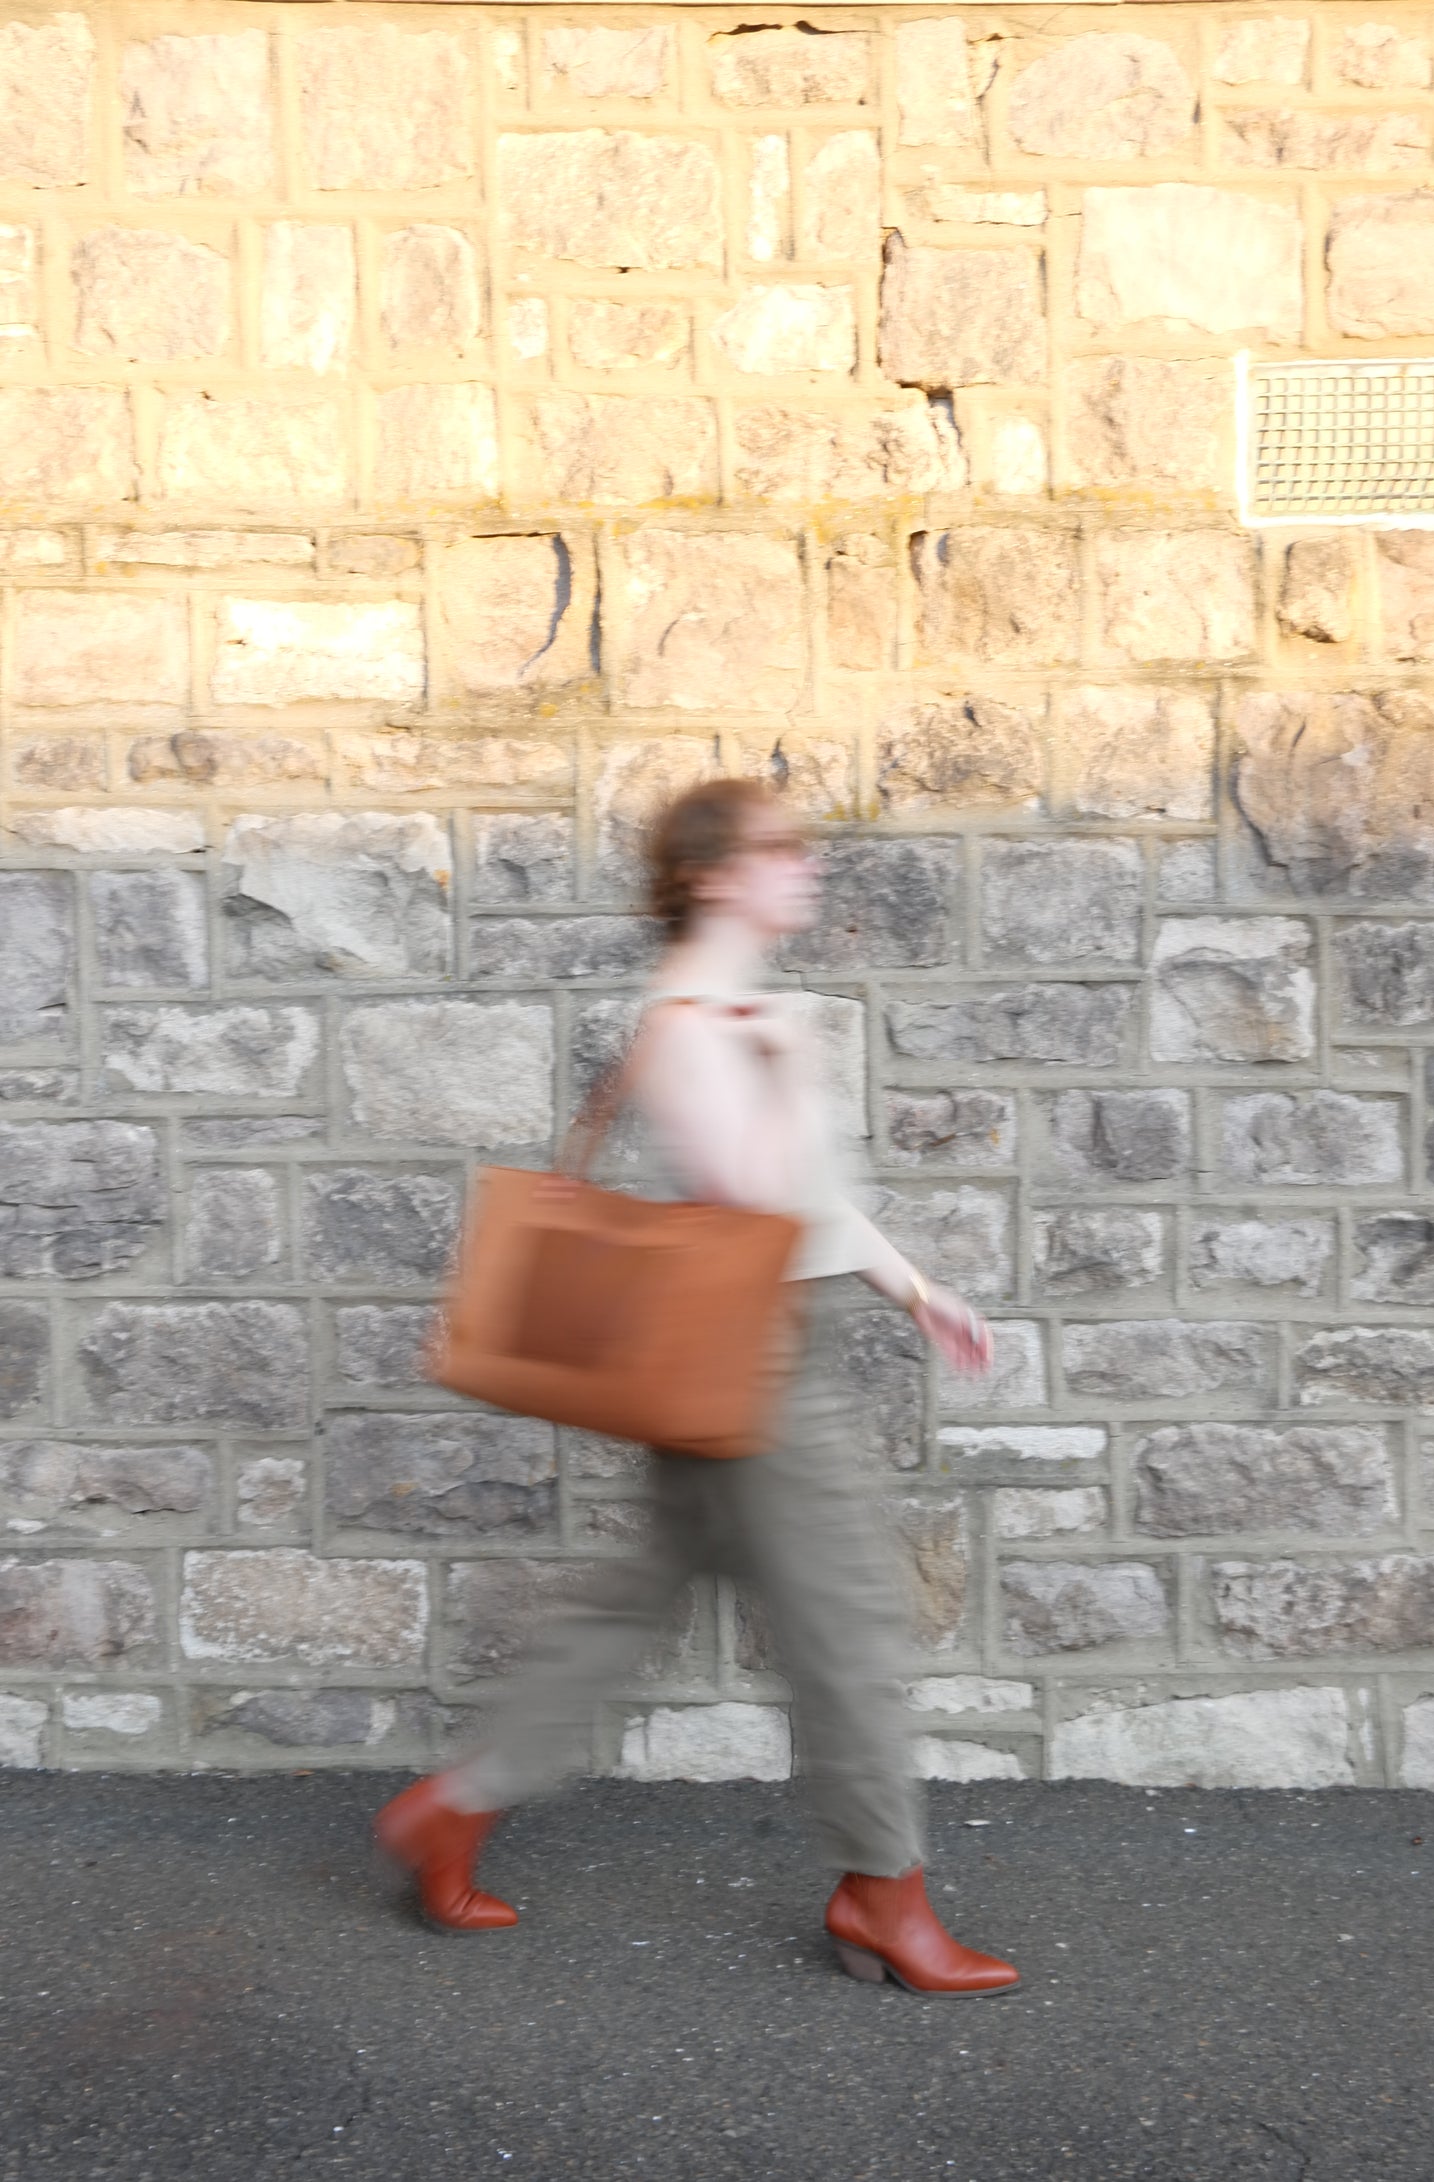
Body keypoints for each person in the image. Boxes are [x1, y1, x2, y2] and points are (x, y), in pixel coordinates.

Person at [375, 778, 1019, 1996]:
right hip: (756, 1362)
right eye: (782, 850)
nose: (805, 867)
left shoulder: (741, 1008)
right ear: (715, 877)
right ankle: (884, 1895)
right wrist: (780, 1066)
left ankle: (450, 1807)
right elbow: (752, 1200)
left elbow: (818, 1206)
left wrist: (916, 1290)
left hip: (755, 1345)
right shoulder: (686, 1019)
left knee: (634, 1601)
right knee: (850, 1631)